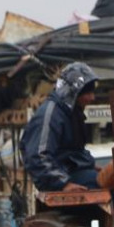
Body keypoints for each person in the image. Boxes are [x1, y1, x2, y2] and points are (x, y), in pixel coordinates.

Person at [20, 62, 101, 191]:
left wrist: (90, 166)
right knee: (106, 184)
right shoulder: (50, 115)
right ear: (73, 92)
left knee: (111, 178)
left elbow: (73, 152)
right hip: (62, 180)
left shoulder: (72, 113)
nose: (92, 98)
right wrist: (64, 184)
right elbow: (37, 156)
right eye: (87, 93)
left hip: (71, 174)